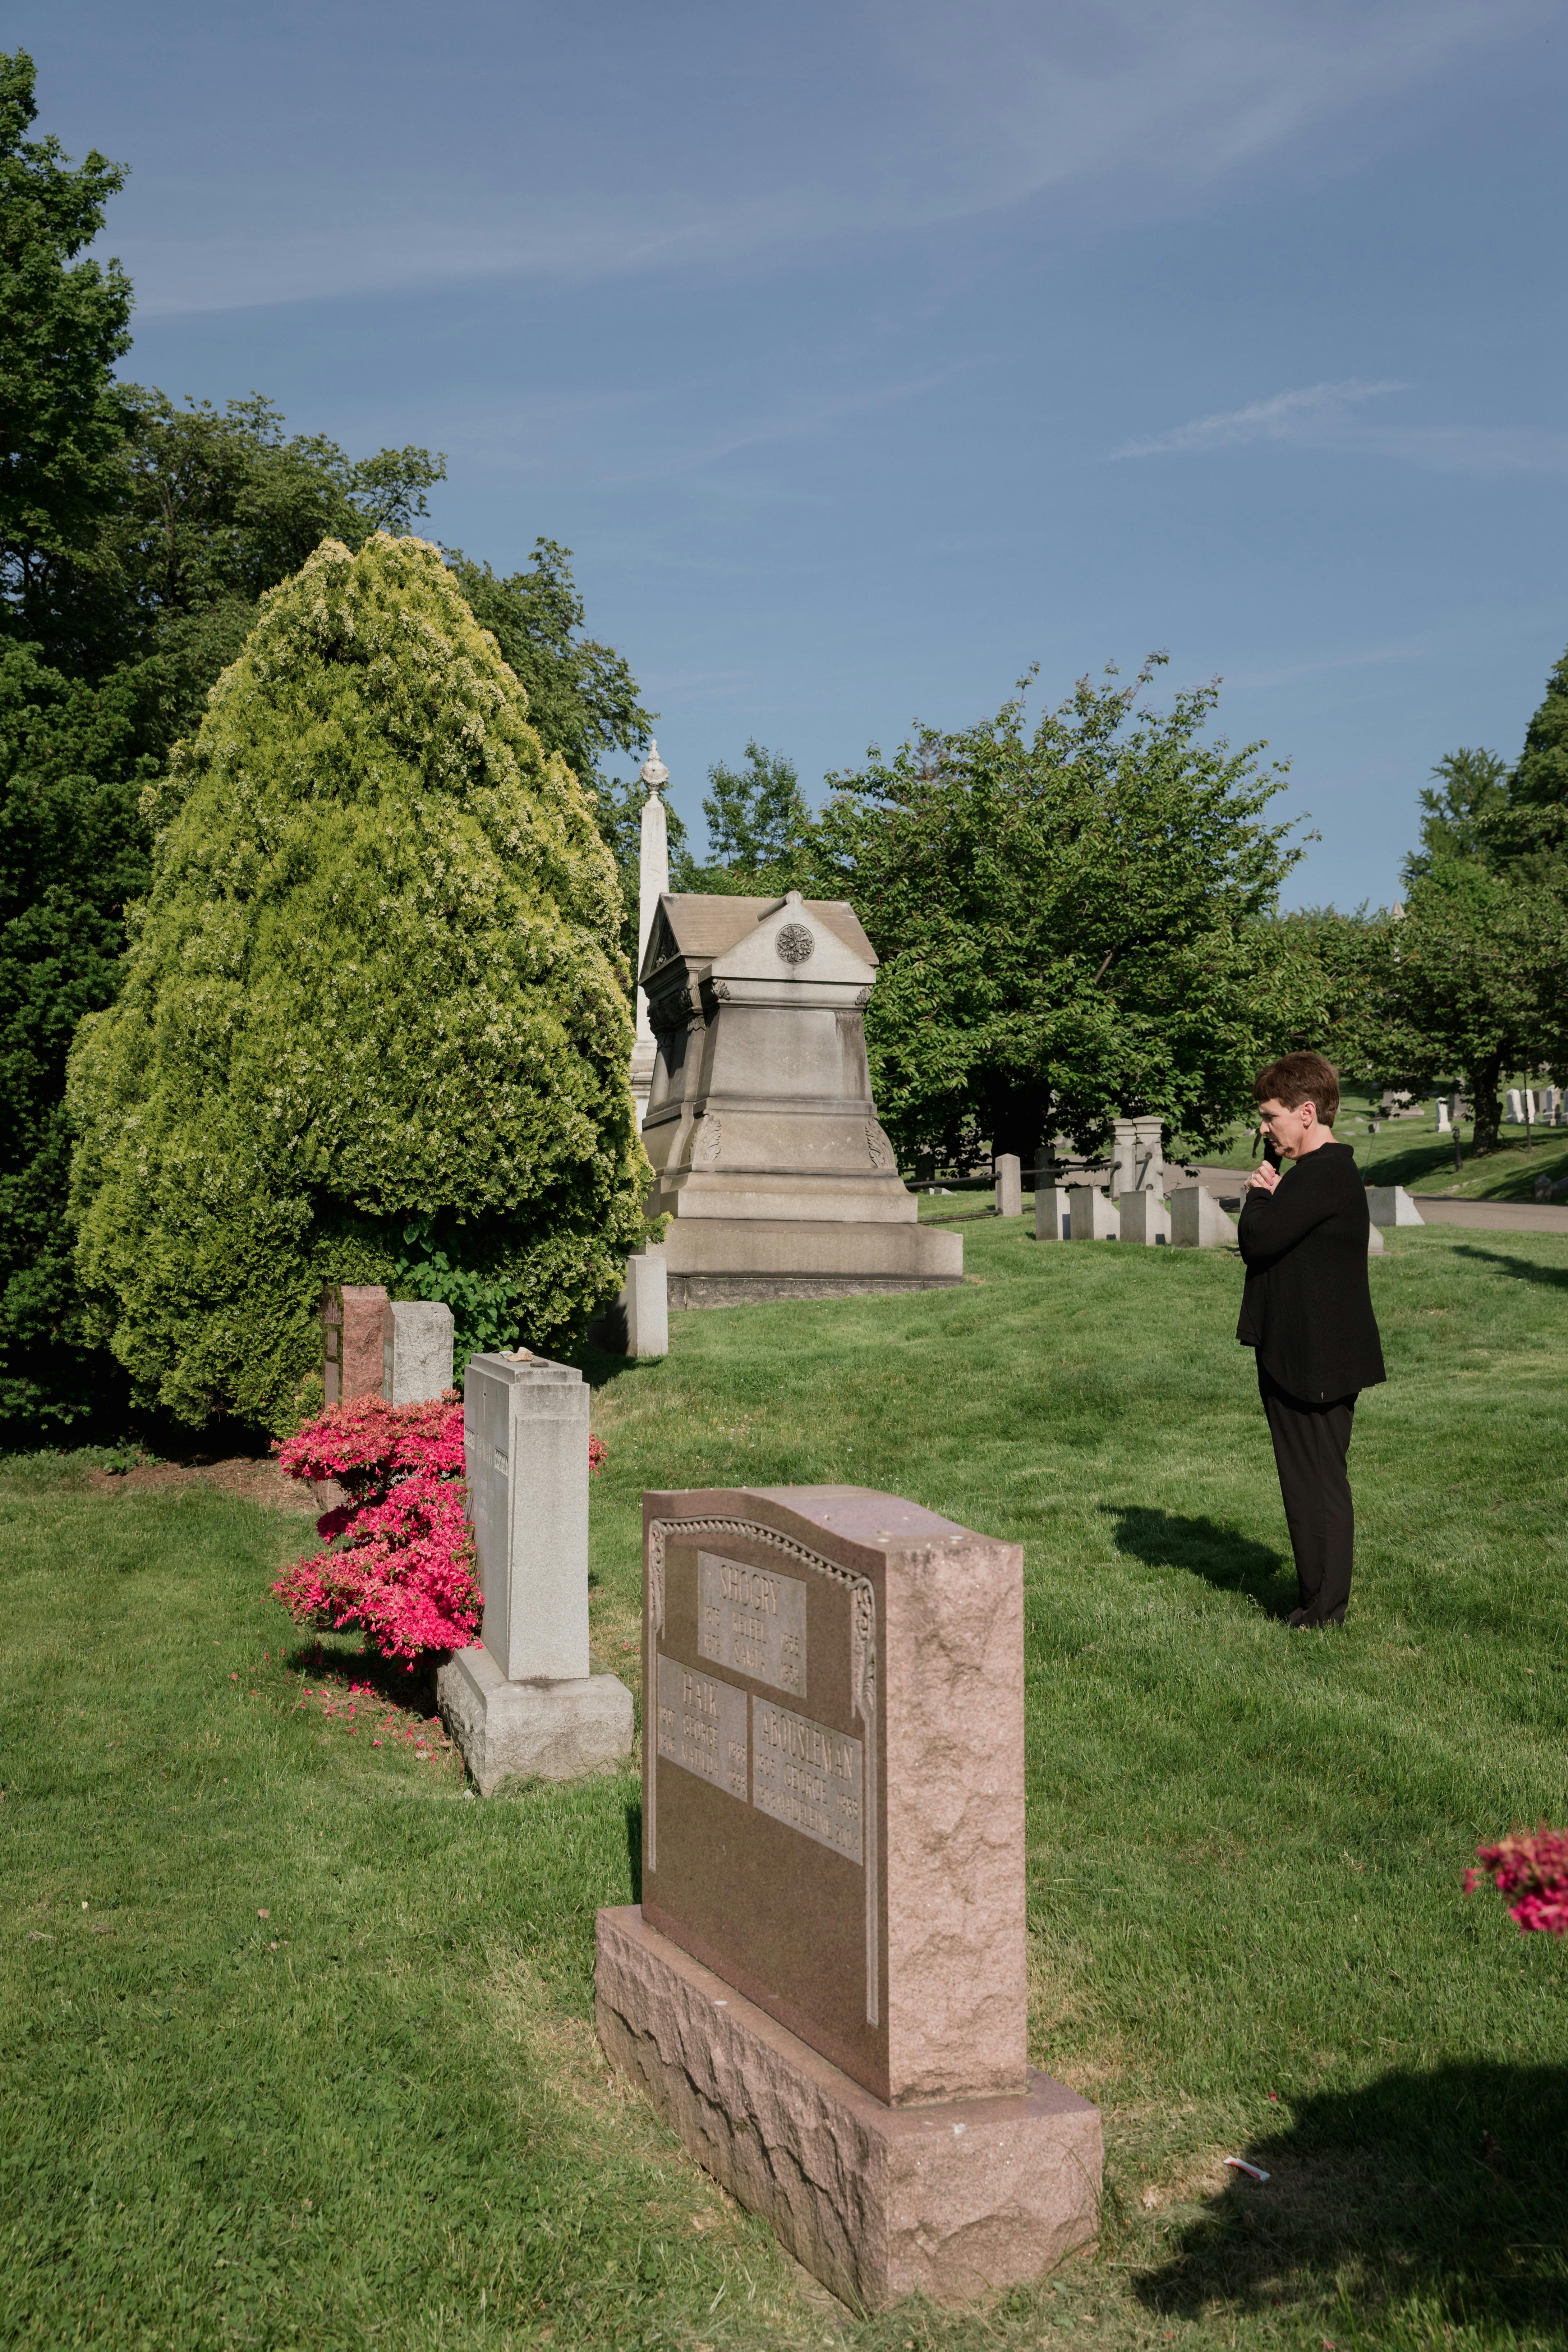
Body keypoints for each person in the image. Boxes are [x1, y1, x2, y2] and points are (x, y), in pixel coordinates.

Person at [1238, 1052, 1385, 1629]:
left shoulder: (1322, 1174)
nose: (1265, 1128)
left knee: (1316, 1485)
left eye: (1271, 1116)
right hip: (1312, 1354)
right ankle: (1318, 1601)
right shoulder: (1323, 1173)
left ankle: (1323, 1611)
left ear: (1306, 1111)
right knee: (1313, 1482)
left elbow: (1260, 1240)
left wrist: (1258, 1193)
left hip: (1313, 1361)